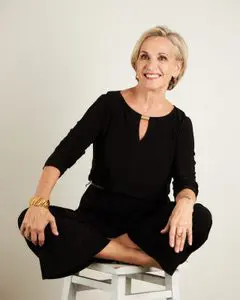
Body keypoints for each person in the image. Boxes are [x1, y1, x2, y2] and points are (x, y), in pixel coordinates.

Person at [18, 25, 212, 280]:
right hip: (96, 218)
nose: (151, 64)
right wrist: (39, 203)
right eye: (144, 56)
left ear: (177, 68)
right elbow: (62, 156)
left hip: (146, 223)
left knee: (201, 218)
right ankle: (138, 256)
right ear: (135, 63)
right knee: (28, 219)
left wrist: (186, 204)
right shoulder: (108, 105)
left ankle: (97, 249)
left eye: (162, 58)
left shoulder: (180, 124)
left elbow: (186, 182)